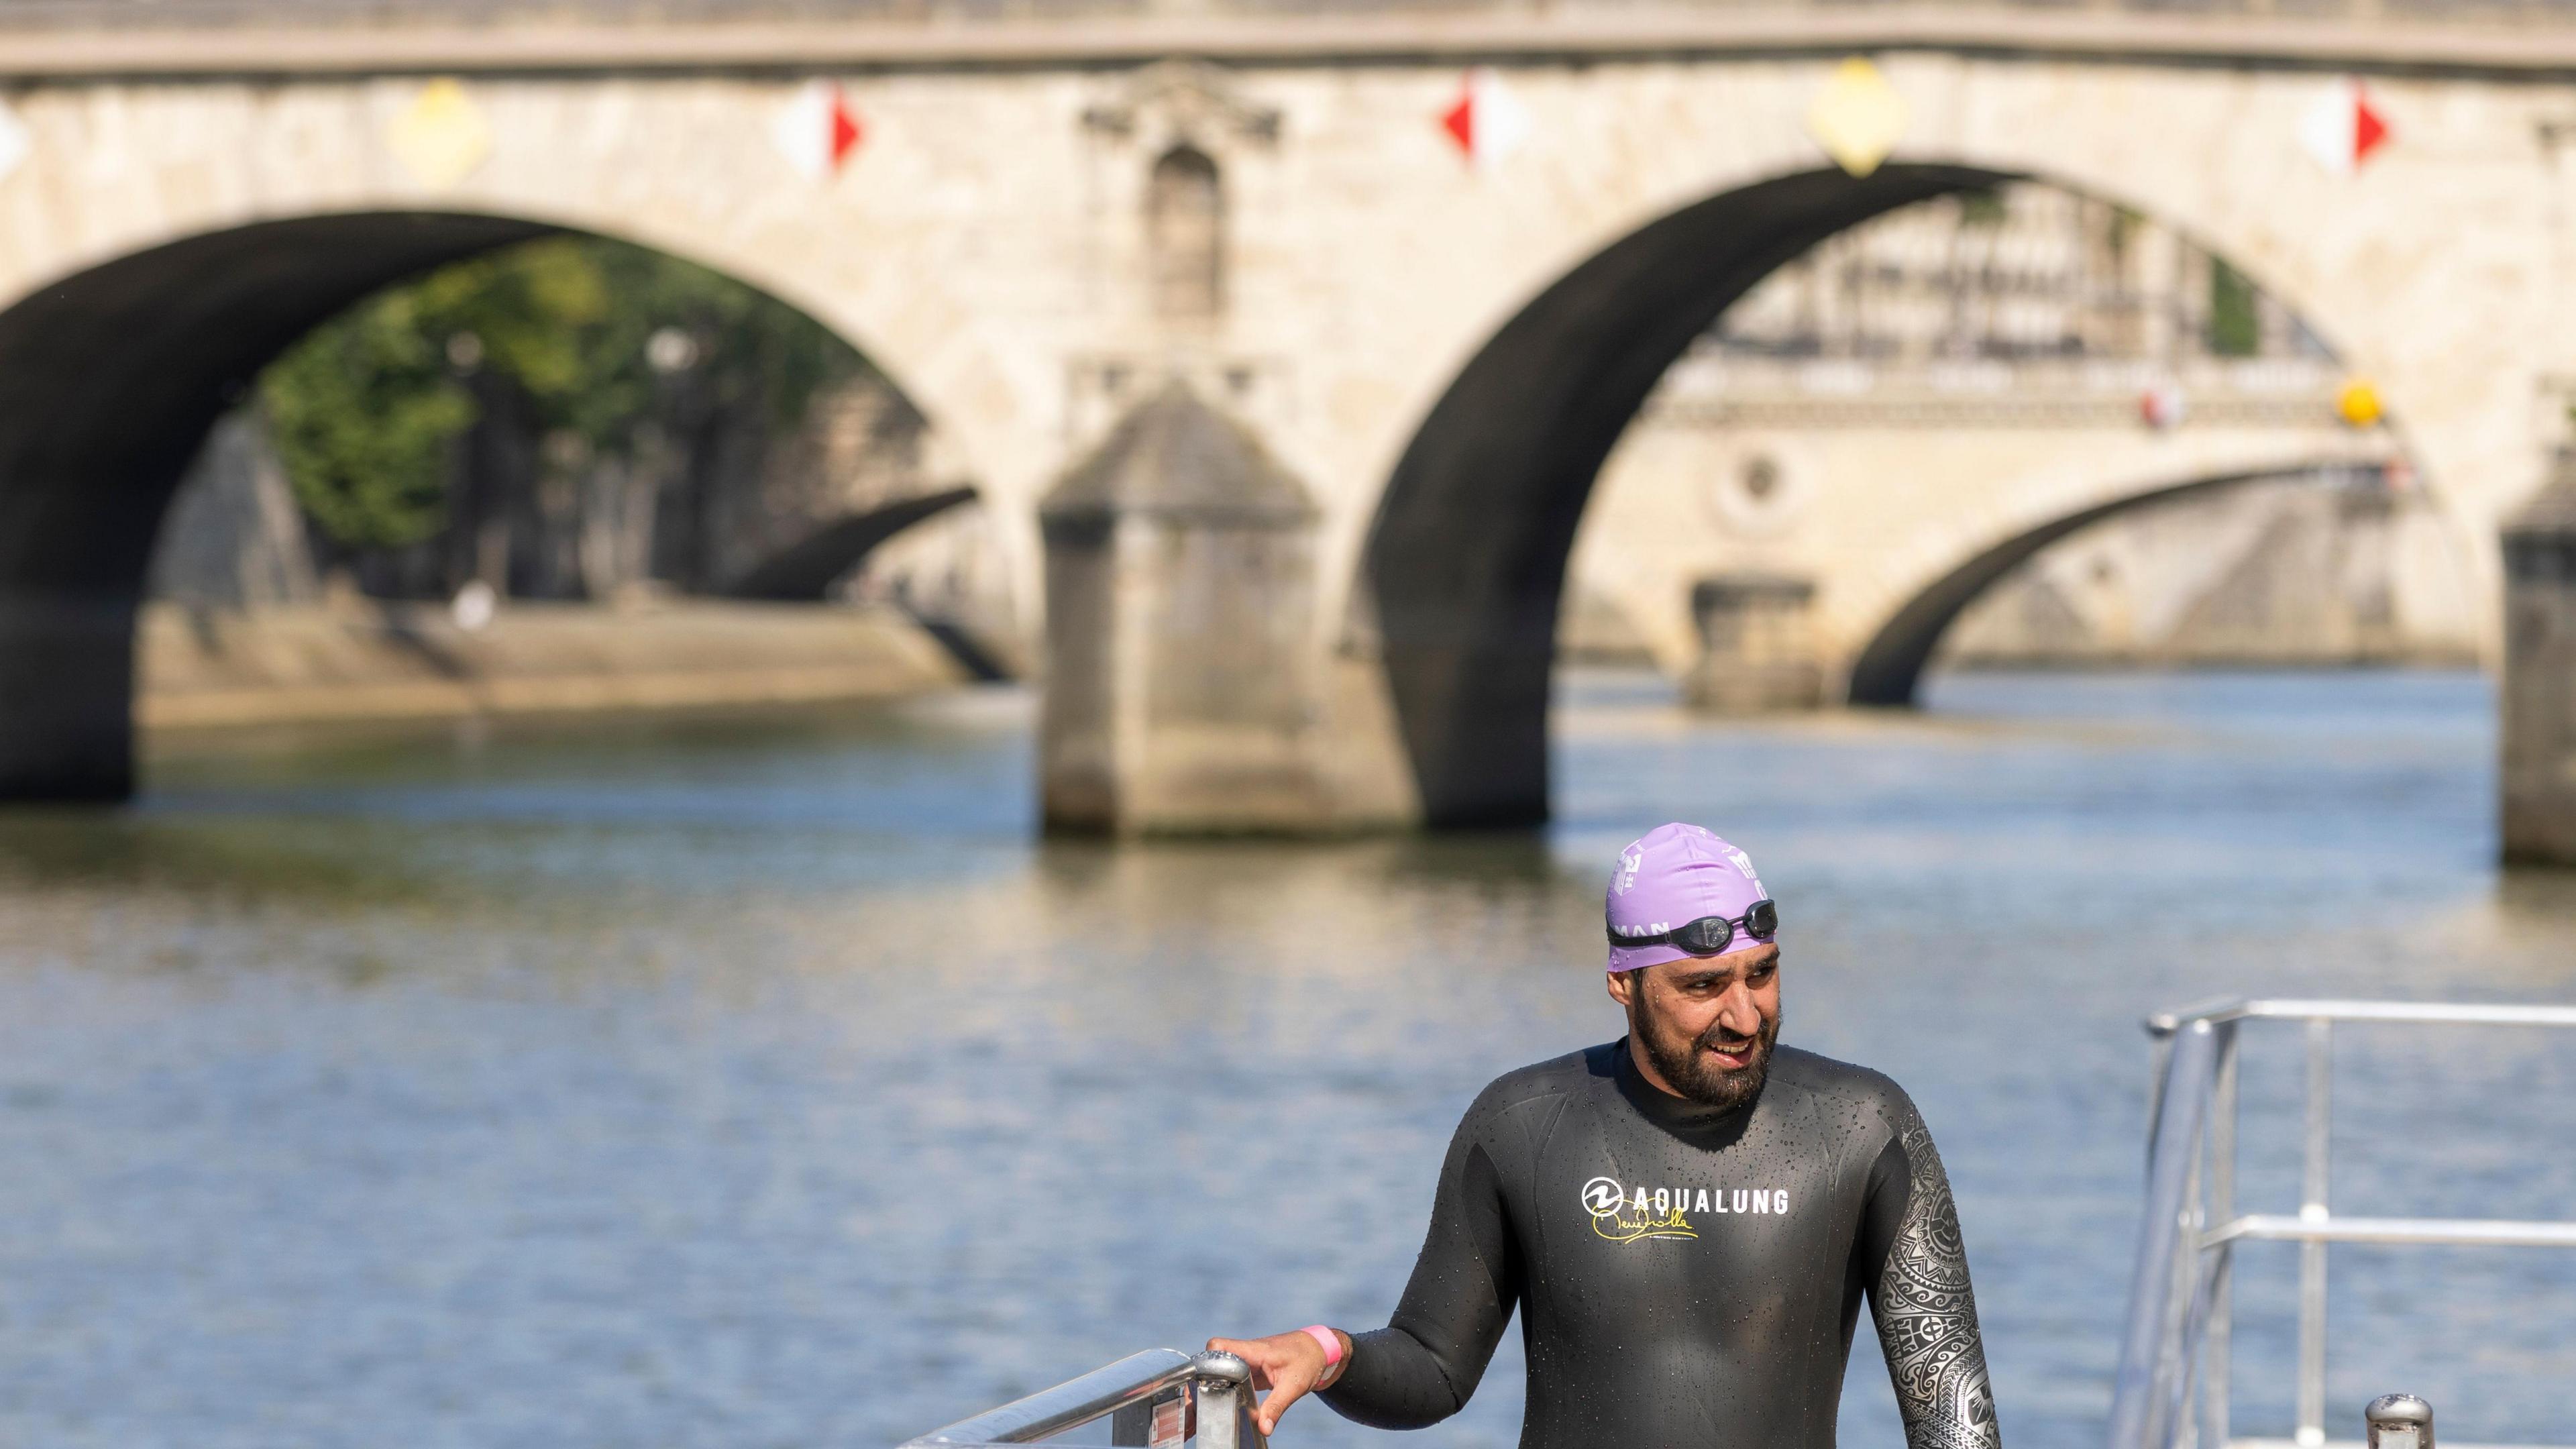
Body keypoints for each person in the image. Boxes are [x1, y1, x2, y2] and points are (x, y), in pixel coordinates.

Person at [1211, 822, 2001, 1449]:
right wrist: (1327, 1353)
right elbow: (1433, 1367)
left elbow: (1954, 1423)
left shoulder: (1863, 1128)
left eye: (1761, 974)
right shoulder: (1524, 1126)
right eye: (1703, 986)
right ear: (1623, 983)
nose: (1744, 1014)